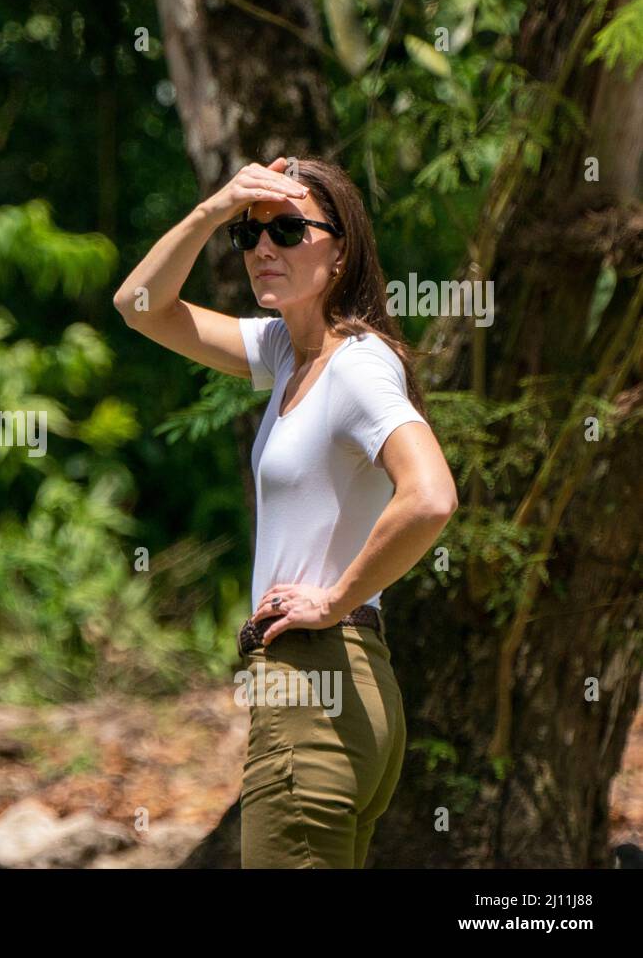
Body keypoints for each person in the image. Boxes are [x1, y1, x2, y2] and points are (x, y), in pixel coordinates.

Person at [114, 157, 457, 868]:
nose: (263, 246)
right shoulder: (286, 352)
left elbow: (430, 495)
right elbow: (139, 304)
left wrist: (333, 598)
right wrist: (214, 208)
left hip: (319, 685)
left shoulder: (357, 363)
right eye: (251, 232)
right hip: (325, 688)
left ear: (341, 252)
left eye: (288, 228)